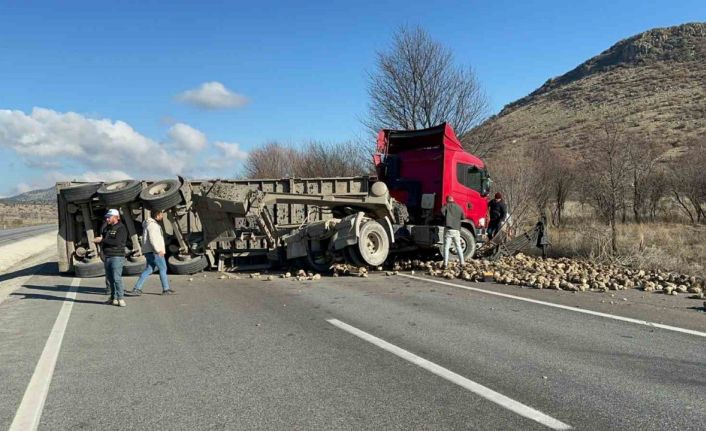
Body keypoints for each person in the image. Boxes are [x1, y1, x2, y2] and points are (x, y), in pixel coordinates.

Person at [131, 209, 176, 295]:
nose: (162, 216)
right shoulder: (153, 226)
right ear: (157, 215)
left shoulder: (148, 224)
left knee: (149, 269)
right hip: (155, 252)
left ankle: (137, 288)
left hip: (149, 251)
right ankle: (166, 289)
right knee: (163, 268)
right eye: (161, 215)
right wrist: (158, 250)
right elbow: (153, 239)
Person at [94, 209, 128, 307]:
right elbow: (105, 241)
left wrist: (102, 240)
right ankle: (113, 298)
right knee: (110, 279)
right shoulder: (107, 228)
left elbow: (117, 242)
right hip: (108, 256)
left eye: (109, 217)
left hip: (117, 256)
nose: (107, 218)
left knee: (117, 278)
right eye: (106, 217)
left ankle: (120, 298)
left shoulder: (121, 228)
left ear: (116, 217)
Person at [440, 195, 465, 268]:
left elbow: (441, 211)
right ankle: (462, 263)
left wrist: (446, 215)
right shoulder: (459, 207)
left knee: (446, 247)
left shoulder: (447, 205)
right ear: (453, 199)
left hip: (448, 229)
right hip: (457, 229)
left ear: (447, 200)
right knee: (458, 246)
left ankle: (445, 264)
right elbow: (463, 217)